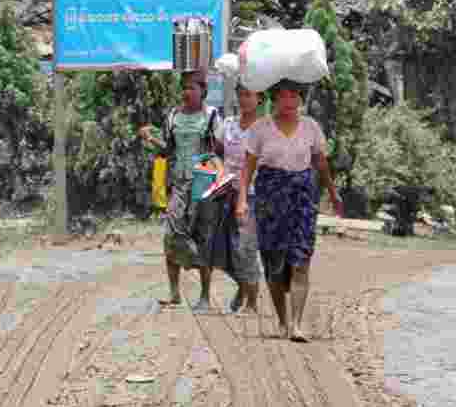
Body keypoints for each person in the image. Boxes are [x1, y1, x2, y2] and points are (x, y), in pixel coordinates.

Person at [238, 80, 342, 342]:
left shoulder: (311, 127)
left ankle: (296, 324)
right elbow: (248, 169)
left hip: (302, 197)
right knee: (274, 262)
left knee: (301, 258)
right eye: (282, 96)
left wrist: (332, 191)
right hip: (270, 199)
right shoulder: (260, 129)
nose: (288, 101)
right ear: (274, 98)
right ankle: (283, 320)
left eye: (293, 95)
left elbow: (320, 162)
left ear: (300, 99)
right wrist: (242, 199)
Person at [140, 71, 221, 312]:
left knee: (204, 236)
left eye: (192, 88)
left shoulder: (212, 116)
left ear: (202, 91)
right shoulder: (173, 116)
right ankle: (174, 292)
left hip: (203, 185)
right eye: (184, 87)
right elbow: (167, 150)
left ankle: (205, 297)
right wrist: (151, 139)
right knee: (171, 235)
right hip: (178, 184)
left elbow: (220, 150)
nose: (186, 92)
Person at [209, 83, 263, 314]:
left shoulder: (265, 128)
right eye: (241, 94)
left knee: (246, 246)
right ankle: (243, 287)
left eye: (249, 95)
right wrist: (220, 170)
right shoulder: (228, 124)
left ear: (259, 98)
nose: (244, 99)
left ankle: (251, 302)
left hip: (253, 195)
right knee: (226, 248)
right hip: (227, 192)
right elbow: (215, 153)